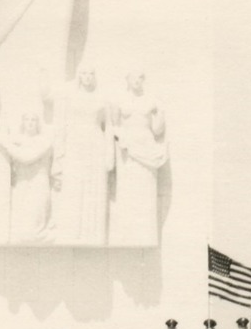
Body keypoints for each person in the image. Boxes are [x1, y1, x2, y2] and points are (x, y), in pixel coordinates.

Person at [50, 64, 112, 245]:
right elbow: (61, 126)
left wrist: (110, 155)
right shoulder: (70, 98)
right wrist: (59, 157)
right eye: (84, 73)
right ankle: (71, 232)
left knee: (95, 186)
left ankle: (94, 234)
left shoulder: (102, 99)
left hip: (96, 143)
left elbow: (109, 128)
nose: (87, 77)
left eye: (91, 73)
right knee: (75, 185)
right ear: (79, 76)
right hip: (75, 144)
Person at [108, 70, 168, 247]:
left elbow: (157, 130)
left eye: (140, 77)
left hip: (146, 146)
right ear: (127, 79)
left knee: (145, 191)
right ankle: (127, 237)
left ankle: (145, 237)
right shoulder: (119, 100)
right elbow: (114, 126)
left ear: (143, 80)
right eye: (133, 77)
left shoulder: (151, 100)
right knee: (127, 191)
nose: (137, 81)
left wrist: (160, 114)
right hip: (127, 150)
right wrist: (121, 139)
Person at [0, 111, 55, 243]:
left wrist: (4, 142)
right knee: (20, 228)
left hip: (38, 184)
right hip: (21, 184)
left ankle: (52, 234)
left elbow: (26, 157)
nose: (30, 123)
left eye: (33, 120)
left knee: (33, 232)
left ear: (38, 123)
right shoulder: (17, 140)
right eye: (27, 119)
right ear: (22, 123)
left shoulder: (44, 141)